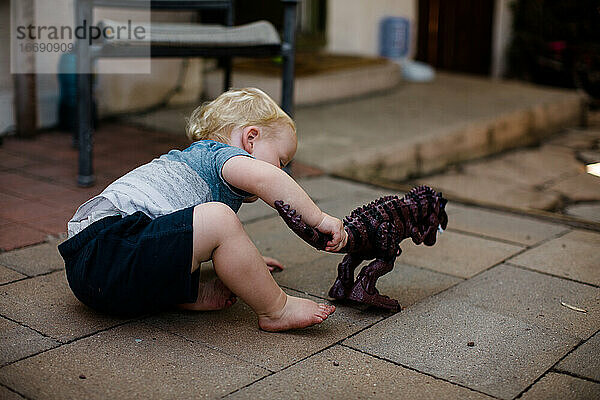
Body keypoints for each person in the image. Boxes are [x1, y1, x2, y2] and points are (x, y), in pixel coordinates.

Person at [58, 88, 347, 332]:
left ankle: (183, 295)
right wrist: (318, 218)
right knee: (219, 218)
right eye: (281, 160)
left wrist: (249, 262)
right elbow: (267, 178)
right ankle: (276, 309)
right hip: (107, 250)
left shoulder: (194, 165)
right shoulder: (219, 155)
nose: (283, 169)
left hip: (95, 270)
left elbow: (177, 236)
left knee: (209, 224)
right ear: (250, 139)